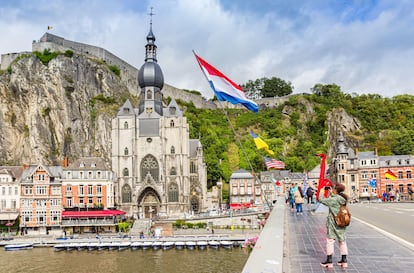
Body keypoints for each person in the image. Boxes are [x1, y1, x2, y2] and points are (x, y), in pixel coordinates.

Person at [319, 183, 349, 269]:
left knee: (330, 241)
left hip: (333, 222)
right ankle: (344, 261)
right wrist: (332, 193)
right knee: (342, 240)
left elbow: (321, 199)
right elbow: (336, 199)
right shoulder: (343, 198)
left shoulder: (333, 200)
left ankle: (329, 261)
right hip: (342, 222)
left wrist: (321, 191)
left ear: (336, 190)